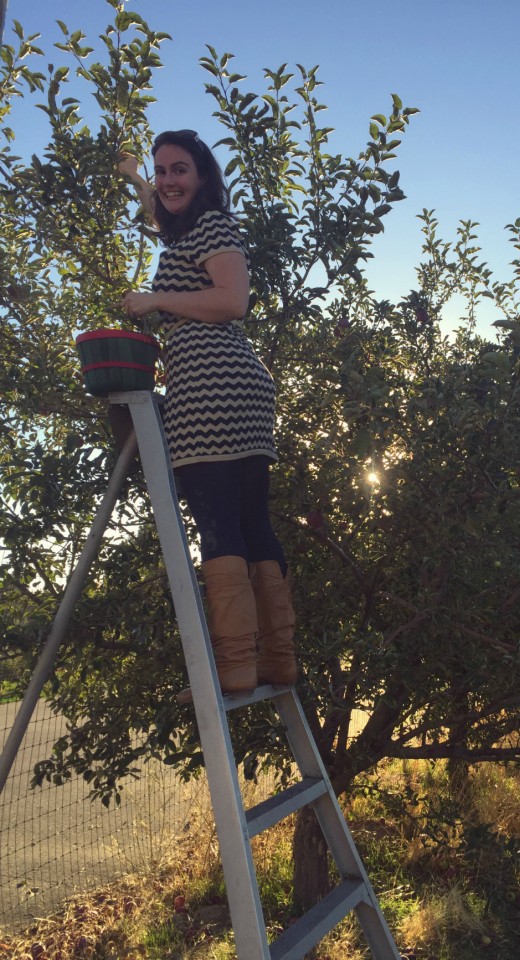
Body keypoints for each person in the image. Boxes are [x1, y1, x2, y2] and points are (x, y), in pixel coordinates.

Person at [117, 130, 297, 698]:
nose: (167, 180)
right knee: (252, 524)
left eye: (179, 170)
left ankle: (236, 667)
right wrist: (135, 178)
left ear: (203, 177)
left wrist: (154, 301)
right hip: (238, 387)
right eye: (161, 169)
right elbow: (163, 212)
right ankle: (279, 660)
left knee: (218, 523)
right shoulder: (191, 226)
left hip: (210, 389)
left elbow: (232, 300)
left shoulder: (215, 224)